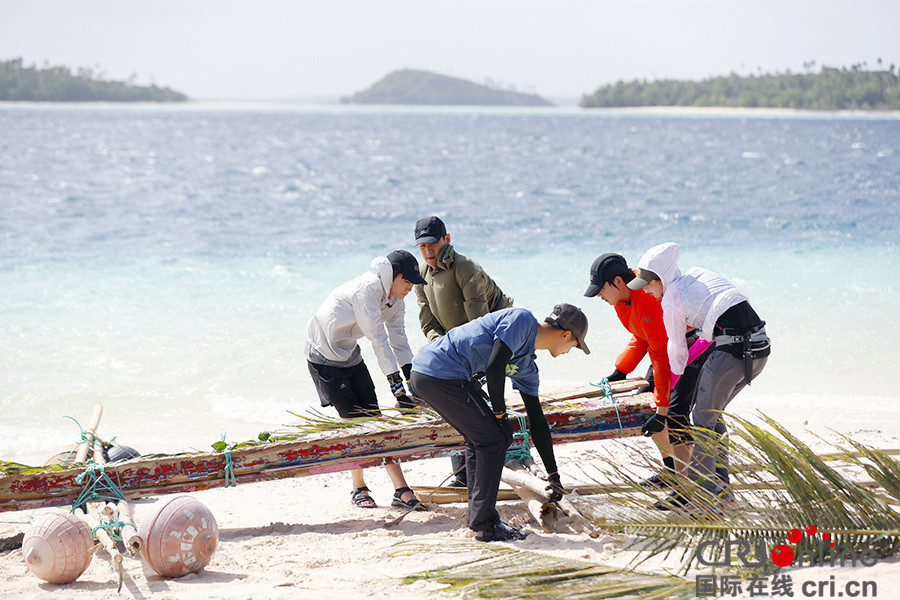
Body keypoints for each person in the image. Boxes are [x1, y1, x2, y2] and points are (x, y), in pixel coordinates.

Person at [410, 304, 590, 542]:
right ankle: (486, 524)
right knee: (493, 438)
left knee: (485, 439)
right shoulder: (523, 319)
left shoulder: (526, 365)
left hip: (437, 376)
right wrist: (499, 415)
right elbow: (494, 367)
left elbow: (537, 420)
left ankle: (479, 518)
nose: (570, 351)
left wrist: (553, 474)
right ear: (566, 334)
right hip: (438, 371)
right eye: (575, 345)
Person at [628, 242, 771, 507]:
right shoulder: (697, 275)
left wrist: (664, 394)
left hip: (734, 351)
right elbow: (710, 328)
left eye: (648, 284)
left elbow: (678, 353)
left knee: (701, 420)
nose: (647, 290)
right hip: (760, 348)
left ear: (660, 279)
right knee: (711, 416)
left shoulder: (670, 299)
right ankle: (721, 487)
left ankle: (701, 496)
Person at [305, 250, 428, 511]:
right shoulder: (367, 290)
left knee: (376, 420)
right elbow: (379, 341)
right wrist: (398, 393)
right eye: (408, 281)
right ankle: (359, 488)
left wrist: (414, 386)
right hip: (324, 359)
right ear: (395, 276)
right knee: (358, 427)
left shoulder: (396, 300)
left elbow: (400, 342)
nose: (411, 287)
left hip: (350, 355)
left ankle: (400, 490)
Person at [584, 253, 705, 487]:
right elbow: (641, 337)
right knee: (646, 407)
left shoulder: (648, 298)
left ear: (618, 282)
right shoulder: (621, 300)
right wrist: (621, 370)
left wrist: (661, 411)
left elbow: (660, 358)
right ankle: (671, 472)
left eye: (601, 289)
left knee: (673, 413)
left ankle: (688, 481)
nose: (599, 295)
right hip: (666, 349)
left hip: (692, 348)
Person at [413, 215, 514, 487]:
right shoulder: (421, 275)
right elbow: (427, 322)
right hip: (458, 349)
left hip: (495, 341)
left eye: (432, 244)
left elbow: (480, 324)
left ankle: (486, 469)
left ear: (447, 239)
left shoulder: (465, 268)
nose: (428, 251)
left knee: (479, 408)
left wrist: (460, 356)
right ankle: (465, 476)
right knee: (461, 408)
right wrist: (444, 350)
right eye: (422, 246)